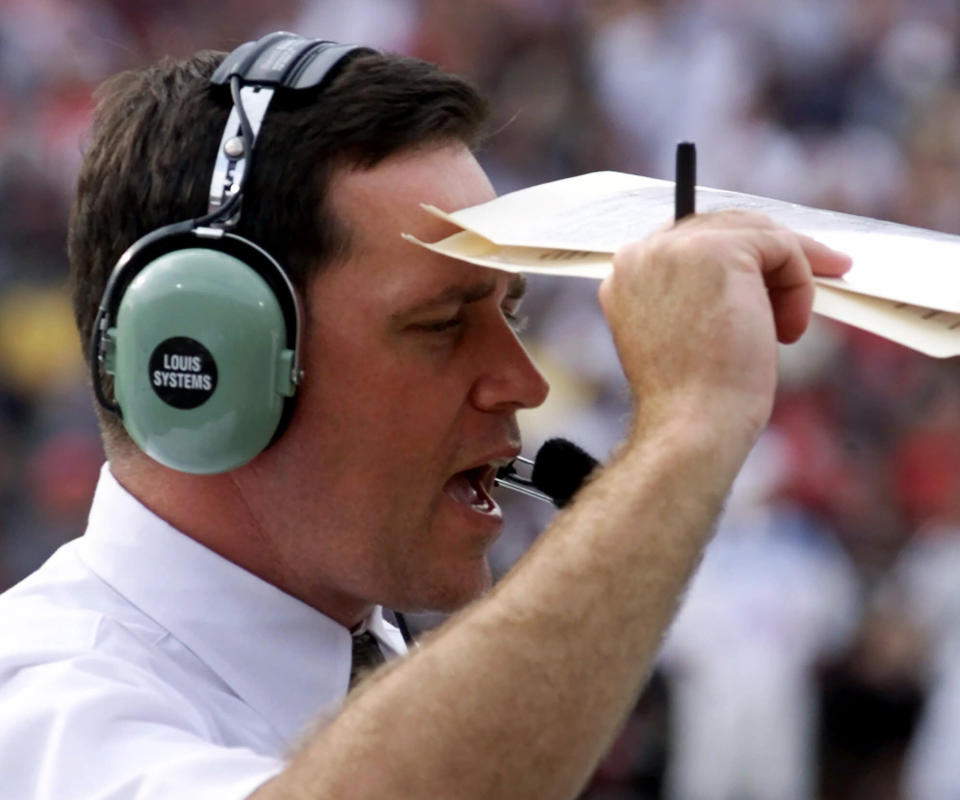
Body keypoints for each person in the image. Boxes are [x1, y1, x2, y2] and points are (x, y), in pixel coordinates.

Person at [0, 33, 851, 800]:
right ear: (211, 365)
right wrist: (684, 432)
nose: (521, 383)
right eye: (442, 324)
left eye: (510, 316)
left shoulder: (384, 664)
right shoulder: (39, 704)